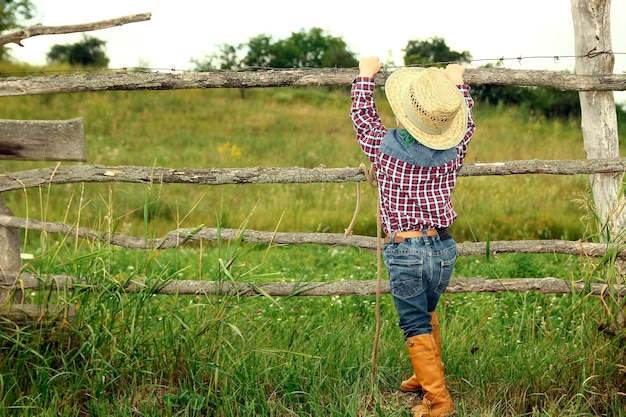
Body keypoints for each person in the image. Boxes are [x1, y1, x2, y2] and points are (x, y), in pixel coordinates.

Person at [350, 57, 476, 417]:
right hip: (444, 249)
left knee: (415, 323)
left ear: (404, 115)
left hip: (406, 249)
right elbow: (466, 129)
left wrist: (364, 78)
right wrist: (458, 86)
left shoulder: (383, 147)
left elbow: (363, 120)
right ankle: (425, 377)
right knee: (428, 310)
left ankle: (438, 401)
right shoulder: (453, 151)